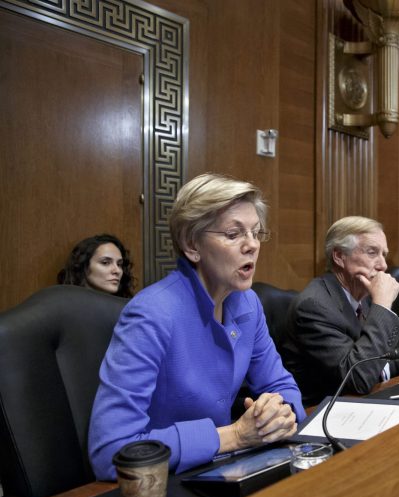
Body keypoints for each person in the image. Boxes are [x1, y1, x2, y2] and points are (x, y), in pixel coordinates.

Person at [88, 173, 305, 480]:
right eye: (234, 234)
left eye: (256, 233)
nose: (252, 245)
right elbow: (111, 453)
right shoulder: (151, 314)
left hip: (225, 472)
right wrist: (235, 436)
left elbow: (283, 387)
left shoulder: (247, 303)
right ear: (192, 244)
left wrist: (278, 413)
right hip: (161, 487)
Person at [281, 216, 399, 406]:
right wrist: (382, 305)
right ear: (339, 256)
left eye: (384, 254)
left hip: (356, 404)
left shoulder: (360, 298)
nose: (383, 265)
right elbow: (358, 378)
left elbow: (366, 358)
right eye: (372, 252)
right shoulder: (315, 306)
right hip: (319, 415)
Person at [57, 234, 134, 297]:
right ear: (84, 266)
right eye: (105, 262)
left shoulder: (127, 308)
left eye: (119, 264)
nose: (117, 270)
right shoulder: (64, 304)